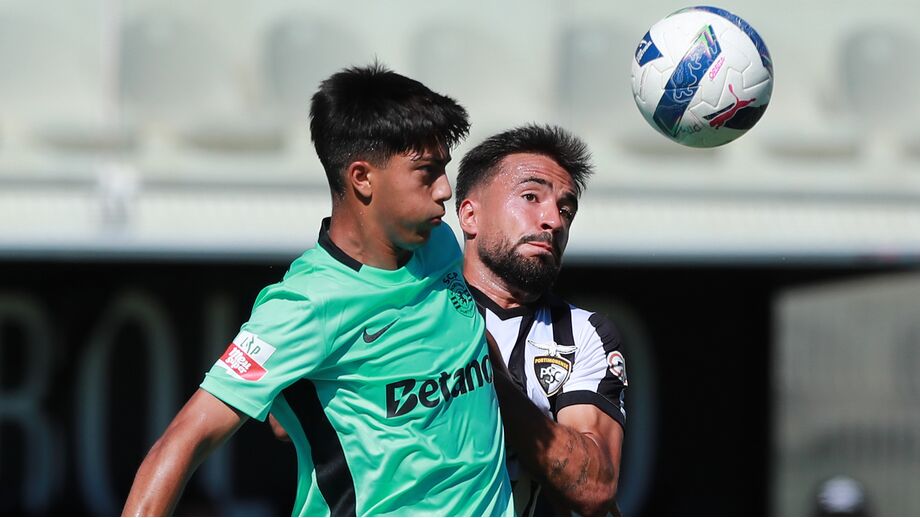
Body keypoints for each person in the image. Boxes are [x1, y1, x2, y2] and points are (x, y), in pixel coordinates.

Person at [122, 63, 514, 517]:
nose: (445, 190)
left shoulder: (443, 244)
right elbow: (184, 438)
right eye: (427, 172)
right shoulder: (305, 305)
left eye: (444, 169)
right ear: (362, 178)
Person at [455, 124, 627, 516]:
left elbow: (596, 487)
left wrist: (485, 376)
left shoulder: (584, 334)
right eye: (531, 196)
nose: (553, 220)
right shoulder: (414, 313)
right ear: (469, 215)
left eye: (566, 209)